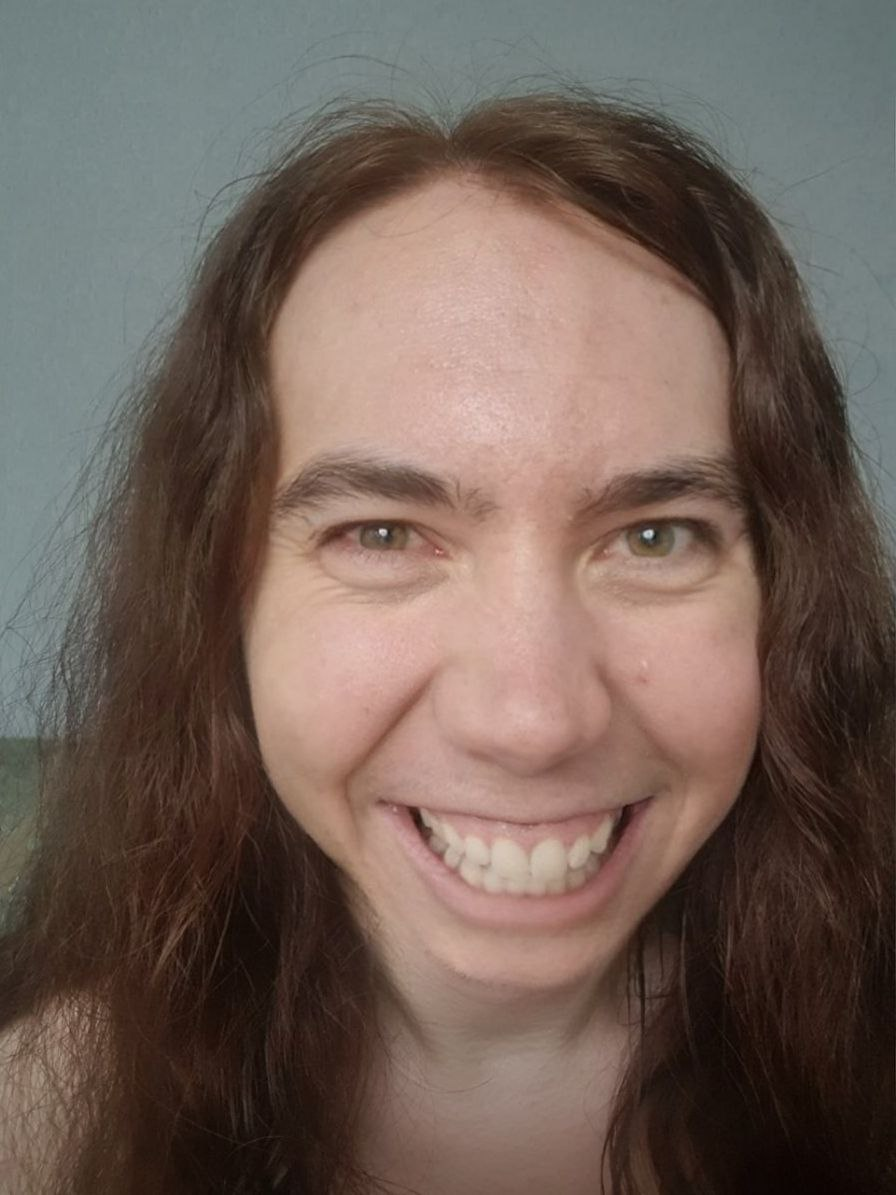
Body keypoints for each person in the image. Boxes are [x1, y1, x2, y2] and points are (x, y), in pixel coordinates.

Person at [0, 88, 892, 1195]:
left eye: (654, 537)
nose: (532, 722)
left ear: (791, 596)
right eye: (382, 534)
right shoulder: (39, 1126)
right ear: (223, 602)